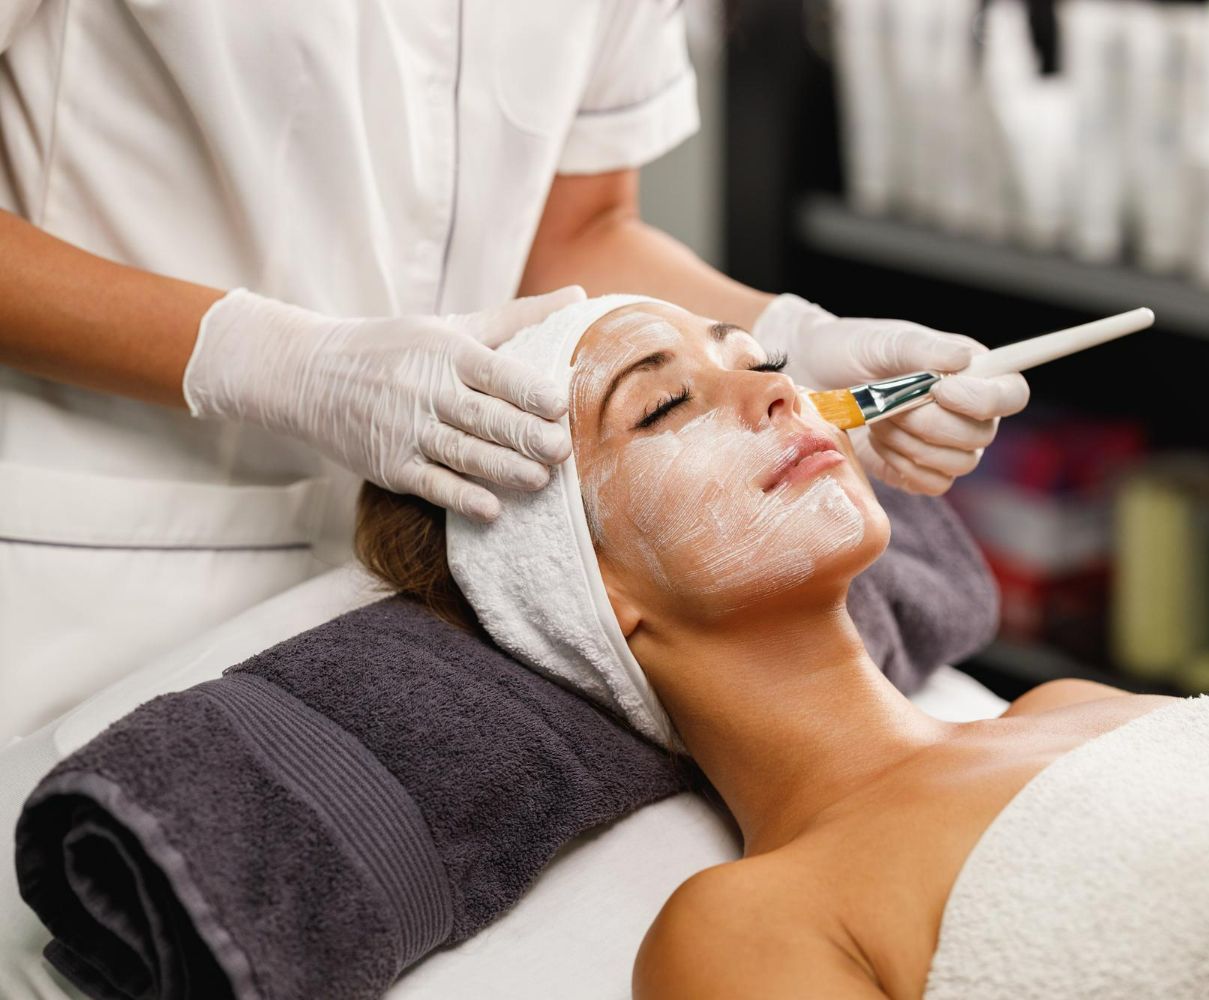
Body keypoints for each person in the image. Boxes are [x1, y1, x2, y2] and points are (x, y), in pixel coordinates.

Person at [357, 296, 1209, 999]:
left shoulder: (1074, 704)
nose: (776, 395)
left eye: (758, 358)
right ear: (588, 594)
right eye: (662, 409)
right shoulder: (751, 926)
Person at [0, 2, 1029, 741]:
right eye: (664, 401)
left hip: (447, 598)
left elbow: (576, 232)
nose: (762, 388)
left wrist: (793, 336)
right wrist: (270, 362)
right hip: (105, 565)